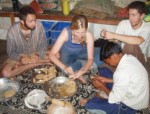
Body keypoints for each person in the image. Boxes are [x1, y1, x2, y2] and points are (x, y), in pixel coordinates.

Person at [81, 41, 149, 114]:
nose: (108, 63)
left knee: (90, 105)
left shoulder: (121, 73)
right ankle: (105, 93)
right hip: (136, 94)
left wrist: (102, 87)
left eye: (108, 60)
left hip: (131, 106)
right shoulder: (130, 58)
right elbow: (127, 79)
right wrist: (107, 80)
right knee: (103, 70)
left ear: (114, 55)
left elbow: (114, 99)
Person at [49, 14, 103, 83]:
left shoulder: (88, 35)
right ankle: (80, 67)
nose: (80, 35)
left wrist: (82, 71)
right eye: (77, 32)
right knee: (65, 70)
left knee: (103, 54)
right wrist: (65, 67)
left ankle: (79, 65)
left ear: (86, 29)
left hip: (81, 53)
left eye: (83, 32)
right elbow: (51, 54)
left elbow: (90, 59)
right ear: (72, 29)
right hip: (68, 55)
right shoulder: (66, 33)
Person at [1, 6, 51, 78]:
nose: (34, 23)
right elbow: (10, 51)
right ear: (22, 21)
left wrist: (37, 55)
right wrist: (21, 59)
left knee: (56, 56)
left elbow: (43, 44)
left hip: (35, 53)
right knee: (6, 73)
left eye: (34, 20)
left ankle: (27, 65)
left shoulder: (39, 25)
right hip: (20, 56)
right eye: (31, 21)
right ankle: (33, 64)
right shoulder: (12, 31)